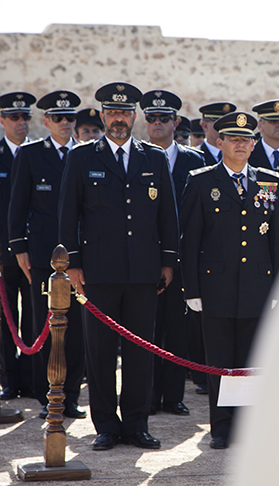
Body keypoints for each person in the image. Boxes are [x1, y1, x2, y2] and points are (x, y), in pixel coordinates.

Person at [58, 82, 178, 451]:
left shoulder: (153, 158)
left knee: (141, 350)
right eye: (113, 113)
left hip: (143, 273)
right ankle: (106, 425)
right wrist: (73, 264)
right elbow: (68, 215)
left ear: (134, 116)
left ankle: (137, 424)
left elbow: (166, 216)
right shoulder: (81, 158)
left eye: (125, 113)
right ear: (104, 115)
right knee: (101, 352)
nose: (119, 120)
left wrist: (168, 262)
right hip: (98, 272)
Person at [180, 111, 279, 449]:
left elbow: (277, 241)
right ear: (220, 142)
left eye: (247, 139)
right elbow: (190, 240)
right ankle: (222, 427)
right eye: (234, 139)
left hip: (257, 287)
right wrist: (191, 289)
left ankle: (248, 425)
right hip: (216, 289)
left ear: (254, 145)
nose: (241, 144)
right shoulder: (201, 181)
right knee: (220, 362)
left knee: (252, 362)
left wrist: (278, 288)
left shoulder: (270, 181)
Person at [8, 90, 86, 419]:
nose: (65, 123)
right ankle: (46, 396)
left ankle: (70, 396)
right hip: (41, 256)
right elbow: (17, 206)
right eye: (58, 118)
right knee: (44, 324)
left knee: (78, 328)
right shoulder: (30, 155)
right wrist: (19, 247)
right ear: (46, 121)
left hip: (80, 256)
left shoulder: (85, 155)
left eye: (70, 118)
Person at [141, 89, 205, 417]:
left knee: (178, 330)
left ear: (176, 122)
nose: (157, 124)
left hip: (183, 258)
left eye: (163, 118)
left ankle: (173, 396)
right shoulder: (135, 157)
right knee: (148, 330)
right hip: (147, 259)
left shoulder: (195, 160)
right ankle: (149, 397)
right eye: (151, 118)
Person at [0, 91, 36, 401]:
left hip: (32, 251)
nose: (21, 122)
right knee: (5, 317)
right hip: (2, 254)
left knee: (34, 318)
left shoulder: (37, 153)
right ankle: (9, 379)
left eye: (26, 117)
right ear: (2, 121)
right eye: (15, 117)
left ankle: (31, 377)